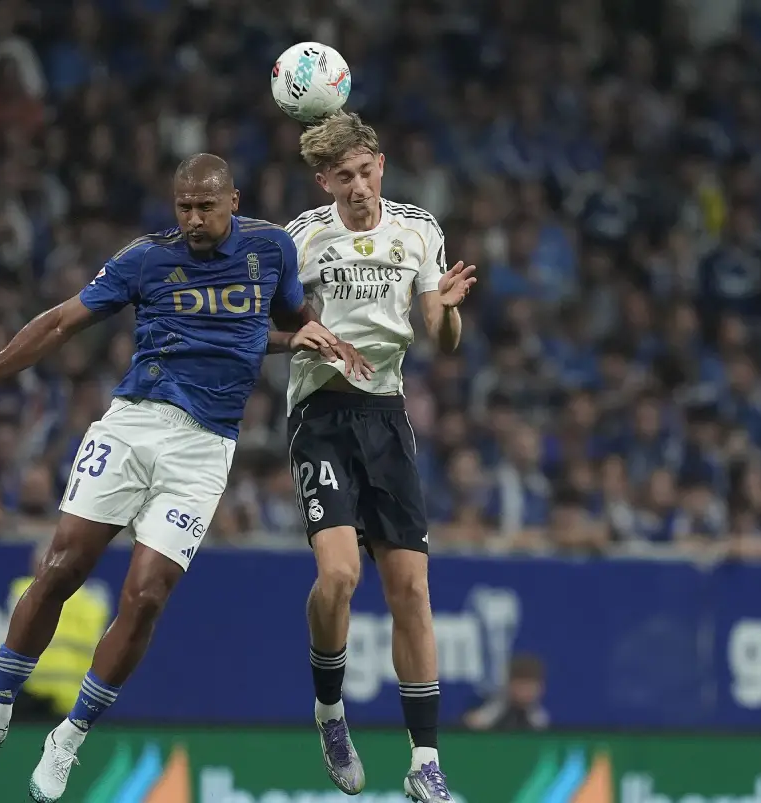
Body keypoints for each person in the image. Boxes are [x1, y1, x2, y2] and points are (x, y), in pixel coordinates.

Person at [0, 153, 370, 803]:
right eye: (183, 206)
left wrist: (304, 338)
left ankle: (68, 738)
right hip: (133, 425)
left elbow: (276, 321)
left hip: (205, 449)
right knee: (61, 566)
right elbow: (58, 322)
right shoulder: (144, 260)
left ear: (233, 201)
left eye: (205, 206)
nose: (192, 218)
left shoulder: (272, 250)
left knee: (147, 595)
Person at [283, 113, 475, 803]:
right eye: (344, 177)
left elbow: (439, 334)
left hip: (386, 420)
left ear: (381, 166)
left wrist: (449, 310)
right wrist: (300, 337)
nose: (359, 187)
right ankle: (330, 709)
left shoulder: (417, 229)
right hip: (322, 418)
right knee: (338, 577)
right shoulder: (300, 239)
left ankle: (425, 760)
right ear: (325, 181)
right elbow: (268, 324)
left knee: (412, 592)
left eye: (367, 172)